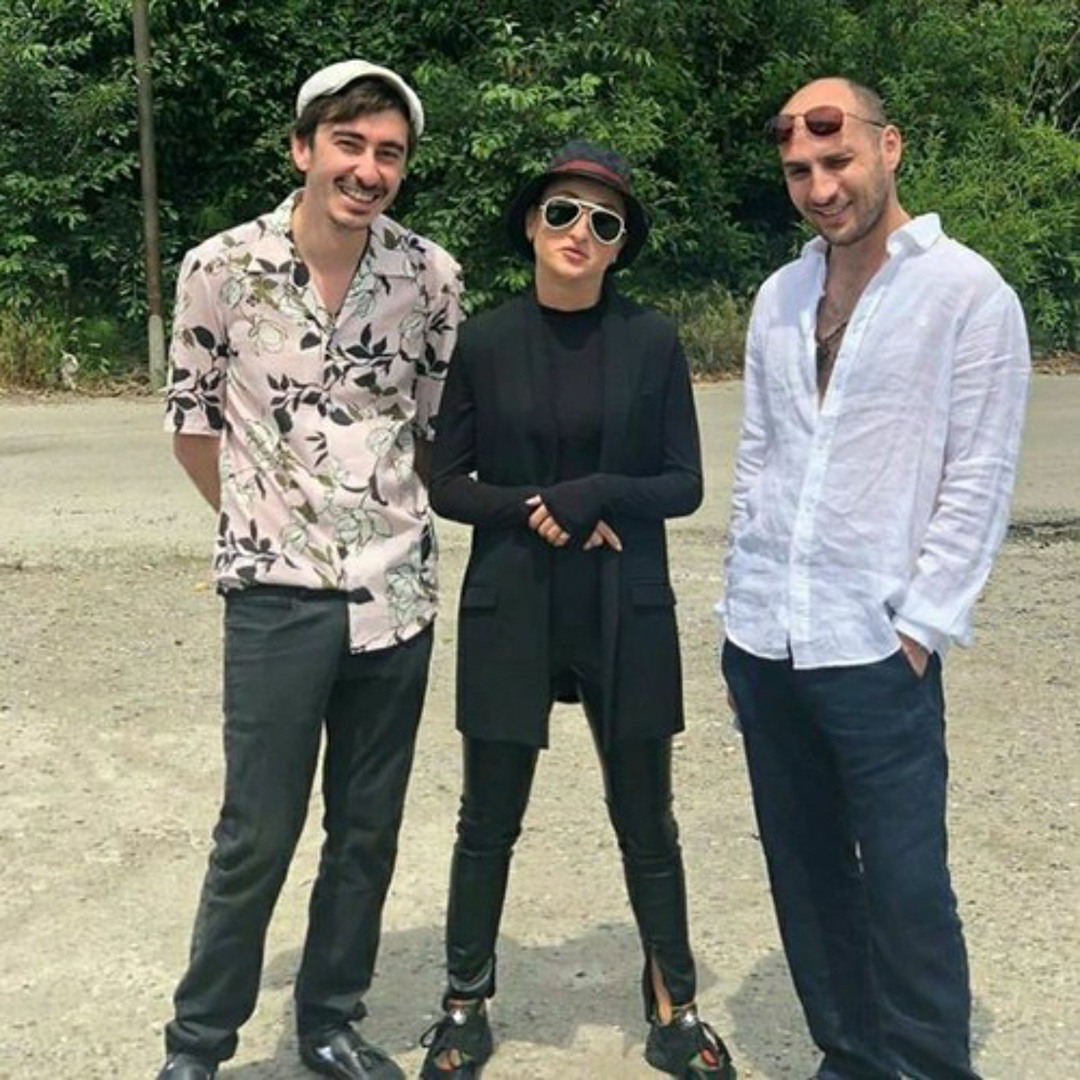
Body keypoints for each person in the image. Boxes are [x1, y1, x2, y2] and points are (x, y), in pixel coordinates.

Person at [719, 77, 1030, 1079]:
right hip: (767, 639)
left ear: (888, 147)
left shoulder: (967, 293)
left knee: (904, 886)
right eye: (798, 171)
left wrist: (920, 627)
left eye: (838, 159)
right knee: (807, 876)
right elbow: (760, 458)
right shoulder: (780, 296)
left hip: (877, 644)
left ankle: (929, 1064)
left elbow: (978, 475)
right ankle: (850, 1056)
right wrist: (738, 604)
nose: (820, 187)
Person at [158, 59, 462, 1080]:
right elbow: (193, 428)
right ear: (303, 148)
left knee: (366, 829)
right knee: (256, 831)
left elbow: (433, 432)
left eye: (389, 153)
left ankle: (330, 1021)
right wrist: (268, 525)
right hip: (276, 596)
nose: (368, 170)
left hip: (396, 595)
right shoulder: (220, 267)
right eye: (349, 144)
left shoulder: (431, 277)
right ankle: (198, 1045)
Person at [418, 141, 736, 1080]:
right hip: (512, 598)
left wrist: (595, 492)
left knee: (648, 819)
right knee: (487, 818)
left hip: (622, 604)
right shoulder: (484, 341)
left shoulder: (653, 339)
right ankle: (464, 1004)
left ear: (620, 244)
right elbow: (446, 484)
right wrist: (538, 509)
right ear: (531, 223)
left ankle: (674, 1008)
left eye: (604, 222)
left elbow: (682, 483)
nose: (580, 233)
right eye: (562, 212)